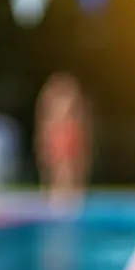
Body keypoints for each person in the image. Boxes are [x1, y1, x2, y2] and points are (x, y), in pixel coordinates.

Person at [35, 73, 90, 203]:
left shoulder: (72, 126)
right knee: (60, 169)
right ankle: (57, 194)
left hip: (65, 136)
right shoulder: (52, 125)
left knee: (67, 168)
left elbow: (80, 161)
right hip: (57, 136)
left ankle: (68, 194)